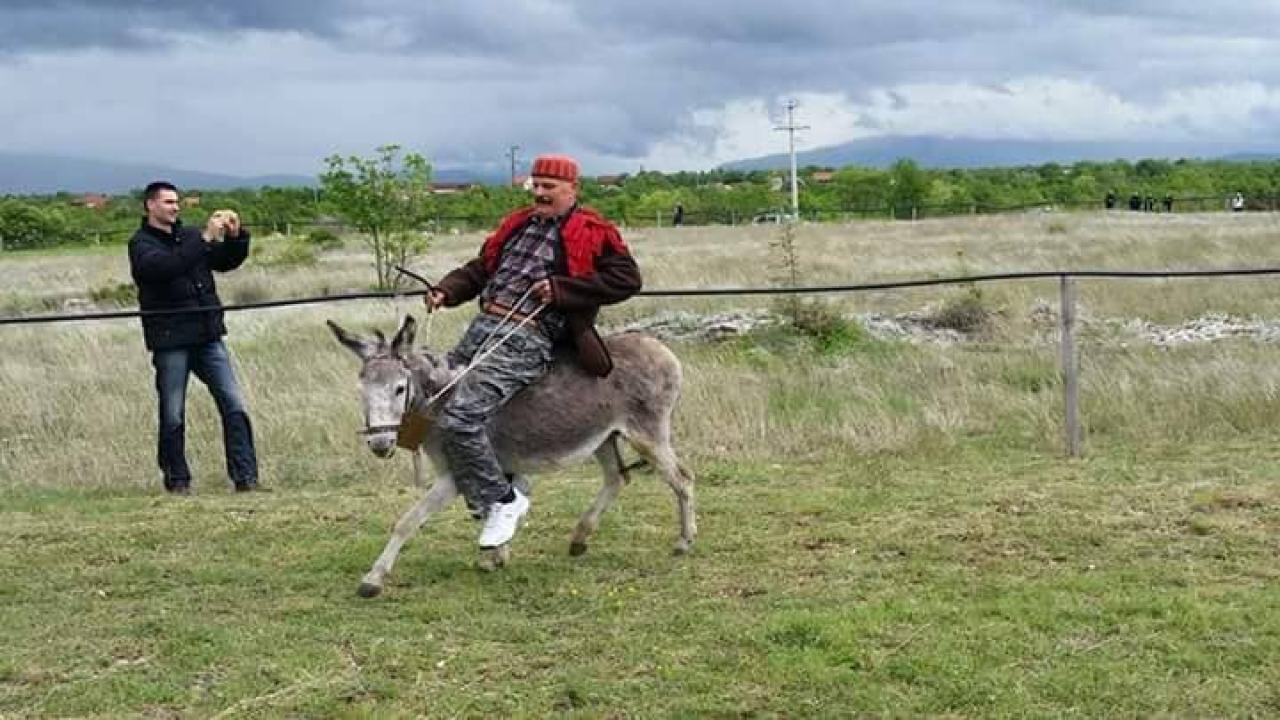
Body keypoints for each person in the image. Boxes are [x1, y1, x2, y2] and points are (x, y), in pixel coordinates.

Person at [425, 154, 642, 548]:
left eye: (549, 187)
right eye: (536, 186)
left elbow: (627, 278)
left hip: (531, 334)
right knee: (432, 404)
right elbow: (480, 269)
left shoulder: (592, 230)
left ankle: (502, 501)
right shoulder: (517, 225)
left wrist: (562, 290)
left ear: (572, 189)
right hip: (483, 328)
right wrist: (447, 290)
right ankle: (504, 481)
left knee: (459, 418)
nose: (540, 193)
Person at [128, 181, 261, 494]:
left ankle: (246, 477)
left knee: (233, 404)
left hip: (208, 336)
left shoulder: (189, 237)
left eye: (176, 202)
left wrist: (235, 236)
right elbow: (166, 268)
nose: (175, 207)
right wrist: (204, 238)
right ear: (150, 205)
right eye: (168, 202)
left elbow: (225, 262)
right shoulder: (141, 245)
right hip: (170, 340)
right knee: (173, 412)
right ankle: (178, 481)